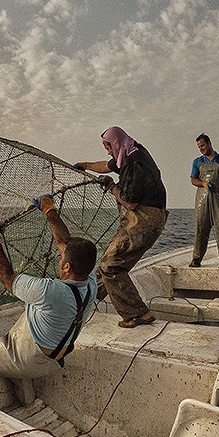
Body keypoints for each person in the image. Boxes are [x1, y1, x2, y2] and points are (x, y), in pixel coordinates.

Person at [0, 194, 97, 404]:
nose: (59, 259)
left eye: (62, 260)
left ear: (66, 267)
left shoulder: (50, 291)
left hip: (27, 360)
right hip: (54, 361)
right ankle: (27, 402)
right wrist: (49, 210)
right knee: (18, 332)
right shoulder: (90, 283)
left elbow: (7, 277)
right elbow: (64, 243)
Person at [74, 126, 168, 328]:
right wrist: (84, 165)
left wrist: (110, 186)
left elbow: (129, 200)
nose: (107, 152)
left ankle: (138, 314)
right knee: (108, 257)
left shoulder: (134, 163)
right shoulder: (131, 151)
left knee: (111, 265)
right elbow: (106, 166)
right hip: (145, 219)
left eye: (107, 147)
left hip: (144, 219)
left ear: (114, 144)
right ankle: (85, 299)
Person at [189, 133, 219, 268]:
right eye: (199, 147)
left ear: (209, 143)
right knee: (201, 229)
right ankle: (196, 260)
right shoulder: (197, 162)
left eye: (203, 145)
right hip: (203, 201)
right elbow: (193, 180)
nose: (201, 149)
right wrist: (204, 184)